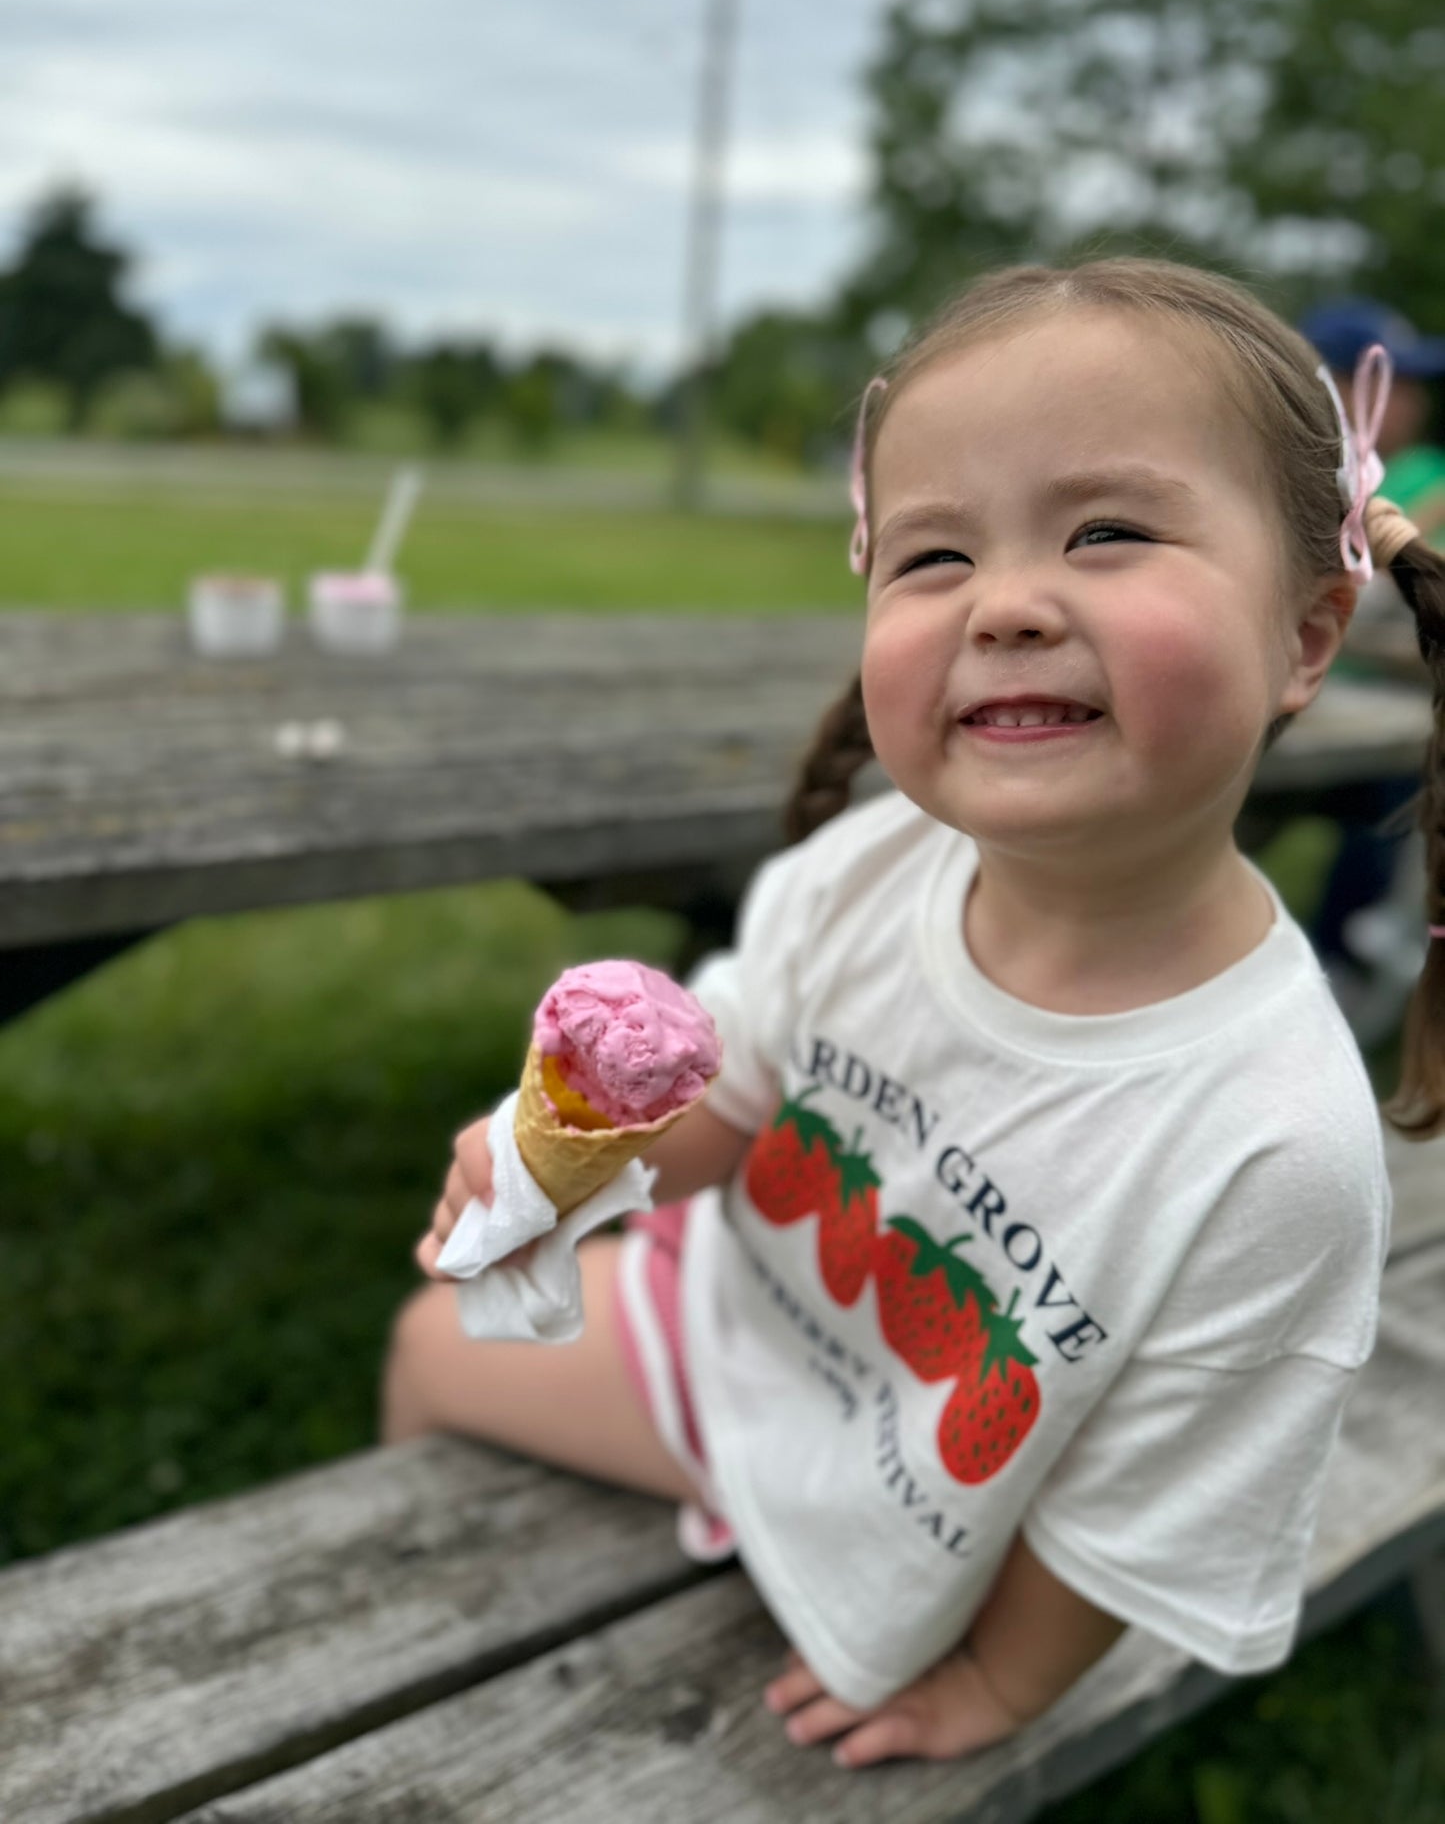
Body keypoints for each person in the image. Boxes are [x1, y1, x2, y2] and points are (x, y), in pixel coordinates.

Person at [383, 259, 1445, 1772]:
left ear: (1306, 632)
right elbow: (735, 1095)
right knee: (439, 1337)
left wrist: (997, 1688)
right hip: (734, 1331)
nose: (1007, 603)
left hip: (936, 1501)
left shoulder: (1272, 1139)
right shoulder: (870, 863)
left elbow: (1145, 1507)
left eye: (1109, 532)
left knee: (438, 1353)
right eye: (933, 555)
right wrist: (572, 1155)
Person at [1298, 298, 1445, 1024]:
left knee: (1399, 780)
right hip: (1310, 702)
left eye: (1413, 385)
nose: (1411, 401)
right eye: (1392, 381)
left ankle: (1351, 958)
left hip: (1374, 713)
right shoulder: (1288, 469)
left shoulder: (1424, 475)